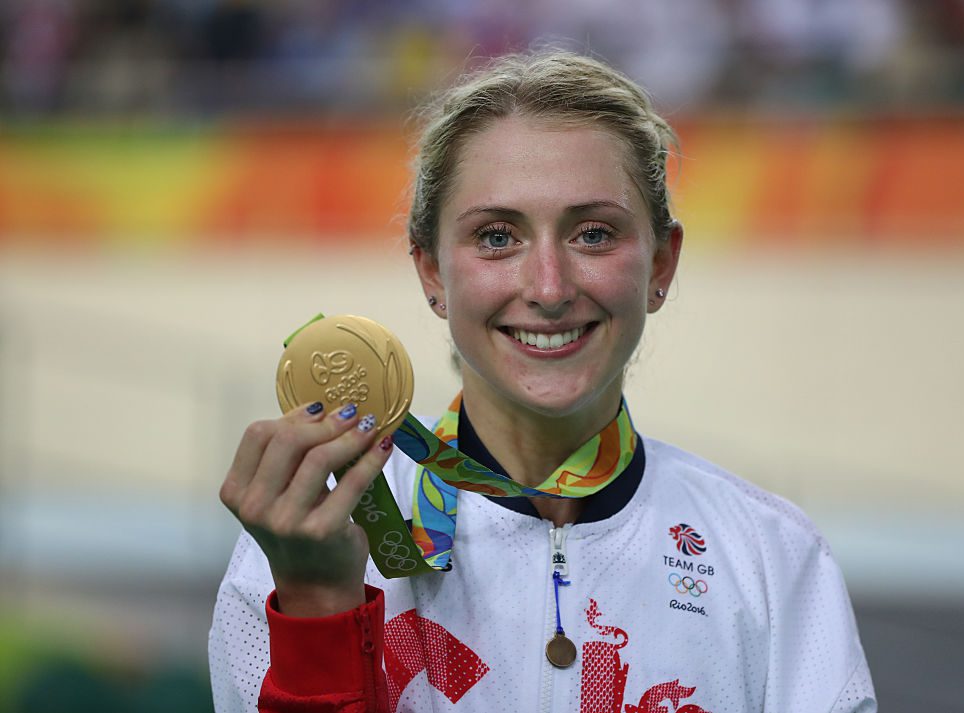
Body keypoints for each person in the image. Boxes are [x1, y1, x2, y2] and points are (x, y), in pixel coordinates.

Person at [209, 50, 877, 713]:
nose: (550, 287)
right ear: (432, 272)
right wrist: (319, 611)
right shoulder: (303, 545)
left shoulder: (769, 559)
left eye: (593, 233)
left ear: (661, 265)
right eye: (498, 237)